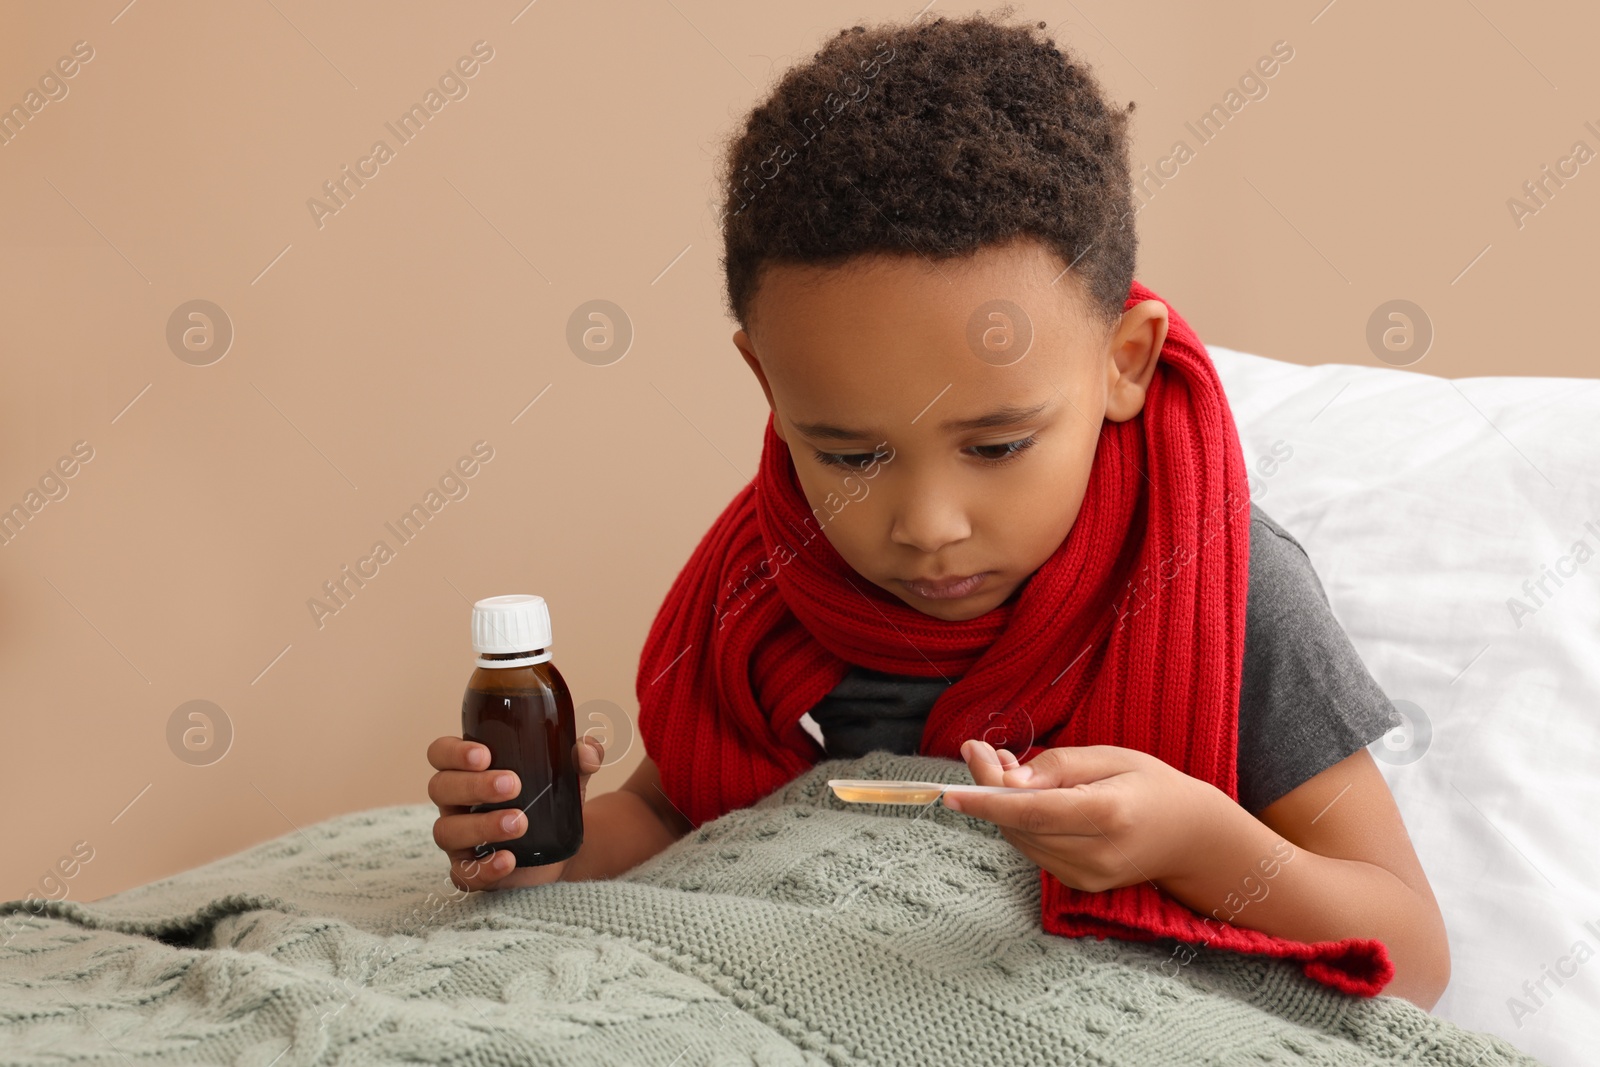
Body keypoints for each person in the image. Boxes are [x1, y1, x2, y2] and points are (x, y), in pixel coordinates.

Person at [428, 10, 1450, 1009]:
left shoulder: (1228, 592)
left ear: (1122, 363)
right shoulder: (770, 582)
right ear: (769, 385)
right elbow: (666, 814)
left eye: (997, 445)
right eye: (851, 452)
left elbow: (1408, 953)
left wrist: (1195, 842)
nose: (926, 524)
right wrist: (542, 841)